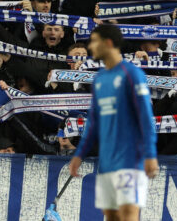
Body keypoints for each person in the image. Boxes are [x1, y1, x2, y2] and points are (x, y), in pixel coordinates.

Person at [68, 24, 158, 221]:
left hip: (130, 158)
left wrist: (150, 155)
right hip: (107, 160)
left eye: (94, 41)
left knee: (128, 214)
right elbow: (93, 122)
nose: (91, 47)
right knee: (110, 216)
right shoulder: (100, 78)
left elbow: (145, 117)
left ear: (108, 43)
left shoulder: (131, 74)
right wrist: (79, 154)